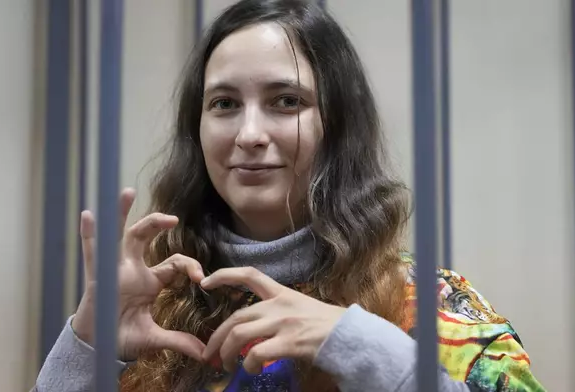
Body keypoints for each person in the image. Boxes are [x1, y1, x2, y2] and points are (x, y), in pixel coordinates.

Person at [34, 0, 545, 391]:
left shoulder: (429, 303)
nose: (249, 133)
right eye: (225, 103)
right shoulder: (157, 308)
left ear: (338, 127)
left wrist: (363, 349)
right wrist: (88, 349)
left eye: (286, 101)